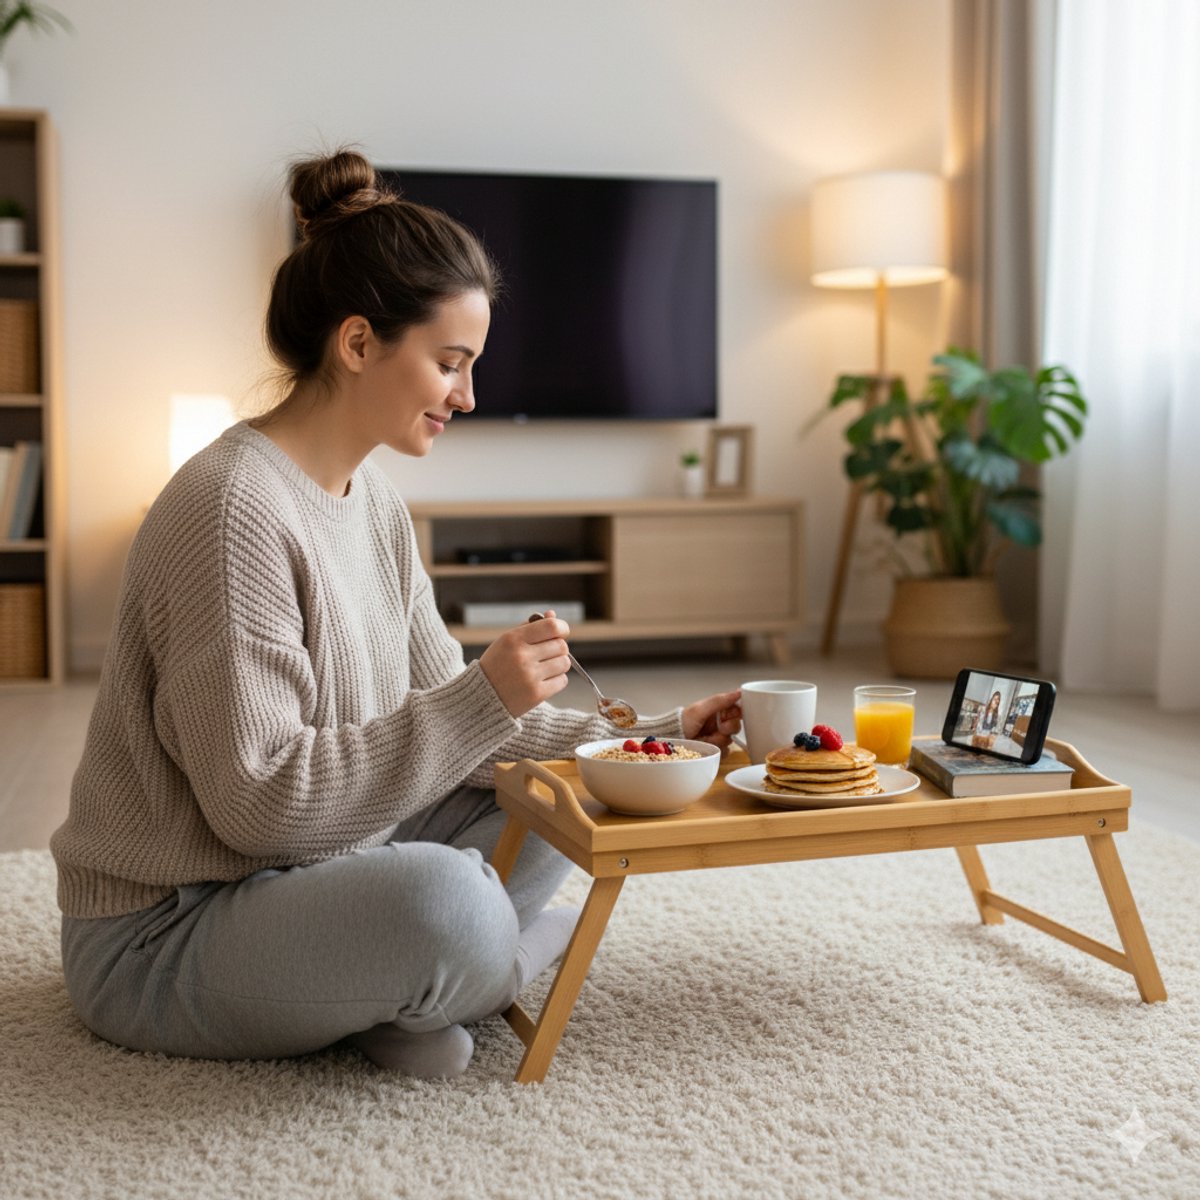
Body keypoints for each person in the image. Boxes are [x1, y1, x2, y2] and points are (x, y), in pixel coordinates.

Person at [49, 149, 742, 1080]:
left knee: (556, 797)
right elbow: (260, 808)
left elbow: (464, 726)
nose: (469, 396)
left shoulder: (374, 502)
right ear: (358, 343)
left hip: (316, 872)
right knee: (449, 903)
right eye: (450, 363)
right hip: (169, 928)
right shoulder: (231, 509)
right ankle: (493, 966)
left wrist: (659, 737)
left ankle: (393, 992)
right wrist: (482, 698)